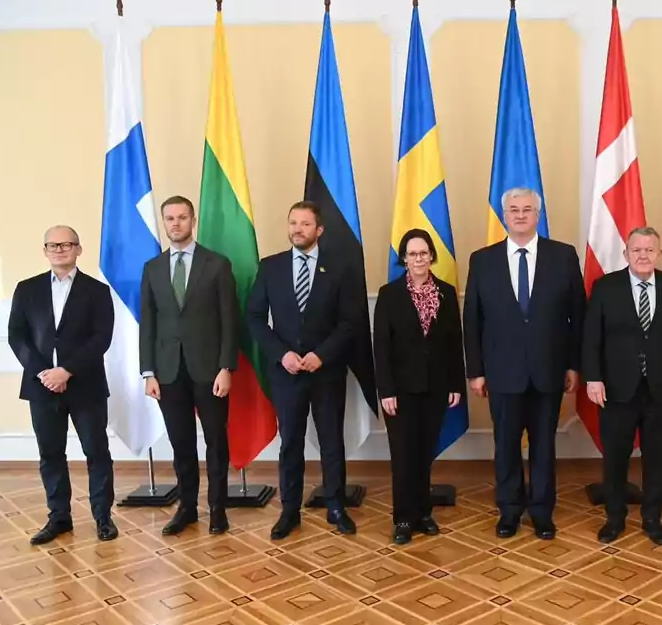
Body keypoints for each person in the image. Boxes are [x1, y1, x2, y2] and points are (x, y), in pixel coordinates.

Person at [464, 186, 585, 540]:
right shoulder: (482, 260)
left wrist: (573, 365)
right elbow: (473, 319)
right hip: (502, 372)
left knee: (544, 444)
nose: (520, 215)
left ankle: (542, 511)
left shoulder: (563, 256)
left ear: (537, 214)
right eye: (514, 209)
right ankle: (510, 510)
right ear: (505, 215)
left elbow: (577, 316)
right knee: (506, 445)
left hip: (549, 370)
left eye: (527, 209)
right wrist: (476, 371)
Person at [248, 201, 367, 540]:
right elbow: (255, 318)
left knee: (331, 441)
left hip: (326, 371)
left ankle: (335, 506)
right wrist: (281, 353)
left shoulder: (340, 266)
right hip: (286, 373)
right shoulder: (270, 267)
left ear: (319, 230)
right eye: (293, 223)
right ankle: (289, 510)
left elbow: (350, 322)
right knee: (291, 444)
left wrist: (322, 355)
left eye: (305, 224)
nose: (298, 229)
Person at [583, 227, 662, 546]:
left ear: (659, 253)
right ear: (626, 254)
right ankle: (615, 519)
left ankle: (652, 519)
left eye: (649, 250)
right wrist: (593, 378)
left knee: (657, 458)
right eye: (637, 250)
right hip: (617, 389)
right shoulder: (606, 287)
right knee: (615, 457)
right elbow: (591, 338)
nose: (643, 255)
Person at [8, 226, 116, 545]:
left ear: (78, 250)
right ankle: (59, 518)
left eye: (66, 244)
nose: (59, 249)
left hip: (86, 385)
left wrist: (67, 370)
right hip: (41, 386)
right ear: (45, 251)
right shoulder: (26, 289)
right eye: (52, 245)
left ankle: (102, 517)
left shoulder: (97, 291)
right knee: (51, 453)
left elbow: (102, 339)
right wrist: (44, 372)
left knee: (96, 452)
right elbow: (17, 336)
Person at [140, 195, 237, 536]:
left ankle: (217, 509)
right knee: (181, 442)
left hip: (210, 370)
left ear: (192, 221)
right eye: (170, 218)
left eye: (182, 217)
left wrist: (227, 367)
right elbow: (148, 324)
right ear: (164, 223)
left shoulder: (217, 264)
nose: (176, 223)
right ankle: (187, 508)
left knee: (215, 441)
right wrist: (148, 372)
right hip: (168, 371)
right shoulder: (152, 268)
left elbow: (229, 320)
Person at [373, 229, 465, 545]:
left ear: (431, 256)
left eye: (423, 253)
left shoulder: (447, 292)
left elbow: (455, 343)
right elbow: (381, 348)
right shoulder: (389, 295)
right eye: (412, 254)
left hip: (436, 388)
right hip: (400, 391)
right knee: (403, 455)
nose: (418, 259)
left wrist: (455, 383)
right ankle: (403, 518)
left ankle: (423, 514)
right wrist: (386, 390)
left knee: (424, 454)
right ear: (404, 259)